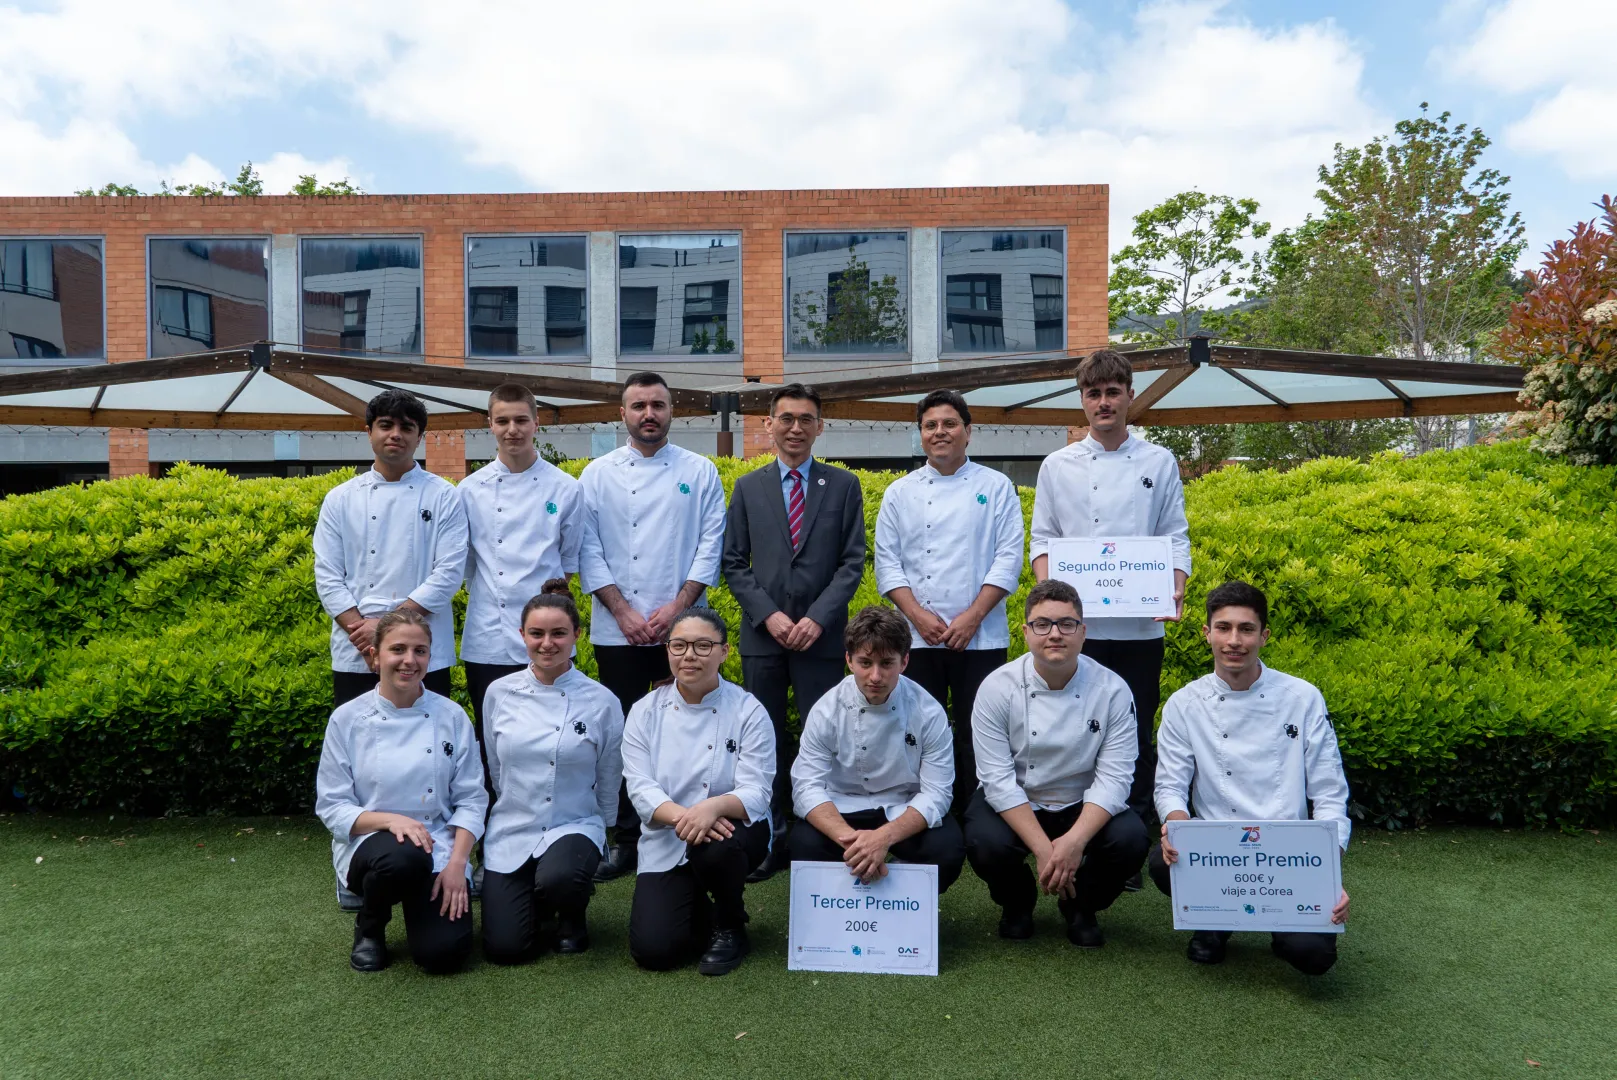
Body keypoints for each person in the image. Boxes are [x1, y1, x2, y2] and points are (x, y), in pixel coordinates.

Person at [1029, 348, 1190, 882]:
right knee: (1078, 731)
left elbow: (1174, 537)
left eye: (1112, 392)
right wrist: (1053, 611)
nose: (1103, 402)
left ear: (1129, 396)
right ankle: (1070, 835)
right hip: (1076, 633)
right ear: (1083, 401)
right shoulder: (1058, 465)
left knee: (1136, 731)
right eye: (1093, 394)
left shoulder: (1158, 461)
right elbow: (1043, 541)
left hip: (1140, 627)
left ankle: (1128, 847)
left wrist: (1174, 590)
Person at [1151, 580, 1351, 975]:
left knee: (1314, 959)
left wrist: (1328, 872)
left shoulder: (1302, 697)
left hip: (1288, 852)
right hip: (1215, 848)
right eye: (1223, 628)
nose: (1234, 640)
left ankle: (1280, 925)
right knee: (1161, 864)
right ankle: (1214, 923)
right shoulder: (1184, 703)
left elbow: (1329, 791)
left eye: (1246, 629)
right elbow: (1170, 784)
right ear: (1207, 633)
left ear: (1264, 635)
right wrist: (1176, 827)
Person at [578, 371, 726, 881]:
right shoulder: (595, 474)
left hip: (681, 632)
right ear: (622, 413)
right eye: (638, 405)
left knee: (678, 728)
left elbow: (711, 546)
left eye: (658, 405)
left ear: (672, 411)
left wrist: (678, 613)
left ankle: (676, 824)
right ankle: (623, 834)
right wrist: (622, 611)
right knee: (619, 731)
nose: (648, 414)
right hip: (616, 629)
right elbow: (588, 548)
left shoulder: (700, 471)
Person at [721, 382, 866, 881]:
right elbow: (734, 564)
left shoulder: (844, 486)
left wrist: (816, 618)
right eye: (786, 418)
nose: (796, 428)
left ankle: (819, 834)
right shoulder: (748, 487)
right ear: (768, 425)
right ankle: (769, 834)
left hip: (822, 638)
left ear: (820, 426)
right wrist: (771, 616)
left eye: (806, 419)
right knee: (764, 740)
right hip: (764, 637)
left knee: (821, 738)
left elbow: (851, 564)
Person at [963, 579, 1149, 948]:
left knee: (1131, 840)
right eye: (1042, 624)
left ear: (1083, 632)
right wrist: (1046, 851)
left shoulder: (1112, 690)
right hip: (1019, 799)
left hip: (1083, 800)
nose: (1055, 634)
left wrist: (1075, 842)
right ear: (1026, 632)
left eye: (1067, 624)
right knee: (984, 841)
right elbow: (997, 780)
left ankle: (1081, 906)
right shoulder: (996, 687)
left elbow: (1115, 779)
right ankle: (1017, 902)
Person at [875, 388, 1024, 816]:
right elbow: (888, 564)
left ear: (968, 432)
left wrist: (973, 617)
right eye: (930, 426)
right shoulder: (900, 492)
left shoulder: (996, 487)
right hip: (920, 638)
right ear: (920, 435)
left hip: (982, 636)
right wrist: (918, 617)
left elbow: (1008, 558)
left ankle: (981, 813)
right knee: (920, 729)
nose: (940, 432)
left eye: (949, 424)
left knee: (981, 731)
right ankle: (927, 812)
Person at [314, 609, 487, 973]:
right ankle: (370, 927)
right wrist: (392, 820)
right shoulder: (347, 719)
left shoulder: (452, 716)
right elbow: (331, 806)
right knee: (404, 856)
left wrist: (458, 865)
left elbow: (472, 798)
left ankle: (416, 899)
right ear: (375, 656)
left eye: (420, 651)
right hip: (372, 843)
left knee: (444, 956)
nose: (409, 661)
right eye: (398, 650)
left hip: (437, 845)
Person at [622, 609, 775, 976]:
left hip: (733, 831)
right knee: (654, 952)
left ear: (725, 652)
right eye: (679, 645)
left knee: (716, 847)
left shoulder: (748, 710)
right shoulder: (644, 712)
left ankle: (730, 923)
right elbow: (640, 788)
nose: (689, 654)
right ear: (668, 650)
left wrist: (714, 808)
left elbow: (757, 790)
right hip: (668, 834)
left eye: (703, 645)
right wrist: (689, 817)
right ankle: (697, 904)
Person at [479, 580, 624, 962]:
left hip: (573, 823)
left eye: (559, 633)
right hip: (513, 825)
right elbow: (496, 767)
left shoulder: (602, 701)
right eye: (536, 633)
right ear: (521, 634)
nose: (547, 643)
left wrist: (604, 826)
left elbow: (610, 770)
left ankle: (572, 913)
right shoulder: (498, 693)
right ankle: (535, 898)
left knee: (562, 877)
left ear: (577, 634)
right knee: (506, 950)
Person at [788, 605, 966, 893]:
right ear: (848, 660)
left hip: (902, 805)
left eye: (886, 663)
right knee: (802, 845)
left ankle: (900, 909)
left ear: (904, 661)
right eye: (865, 662)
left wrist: (883, 839)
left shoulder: (928, 712)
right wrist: (855, 842)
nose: (875, 676)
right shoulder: (826, 710)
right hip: (841, 805)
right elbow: (806, 787)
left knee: (947, 849)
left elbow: (937, 794)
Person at [313, 388, 468, 708]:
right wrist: (365, 636)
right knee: (359, 744)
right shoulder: (341, 498)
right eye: (386, 425)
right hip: (357, 651)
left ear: (419, 436)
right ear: (368, 432)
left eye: (407, 427)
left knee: (430, 744)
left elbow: (448, 575)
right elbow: (327, 575)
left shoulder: (443, 496)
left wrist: (383, 632)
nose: (395, 434)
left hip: (423, 651)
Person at [459, 382, 582, 746]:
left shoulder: (565, 488)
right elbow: (465, 563)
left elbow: (569, 561)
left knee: (551, 735)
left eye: (520, 420)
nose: (512, 430)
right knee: (492, 738)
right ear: (490, 424)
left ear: (536, 423)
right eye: (503, 421)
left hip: (548, 638)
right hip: (488, 636)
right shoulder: (468, 490)